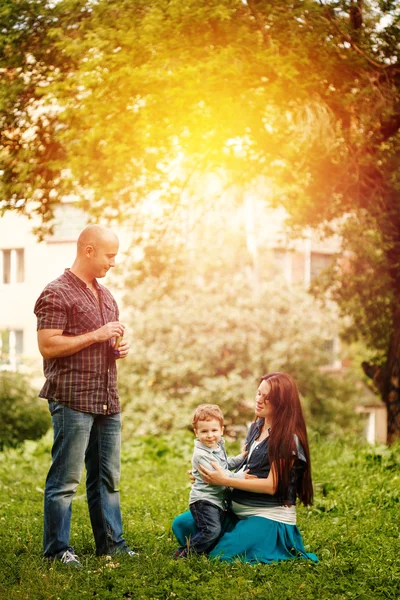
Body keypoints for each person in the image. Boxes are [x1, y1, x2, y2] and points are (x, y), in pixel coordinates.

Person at [34, 224, 137, 568]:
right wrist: (96, 335)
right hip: (72, 398)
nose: (113, 262)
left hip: (107, 399)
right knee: (65, 480)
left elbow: (105, 341)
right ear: (89, 250)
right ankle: (57, 550)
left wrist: (116, 347)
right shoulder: (56, 292)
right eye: (110, 255)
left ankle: (111, 545)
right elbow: (48, 345)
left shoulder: (106, 296)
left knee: (107, 478)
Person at [172, 372, 318, 564]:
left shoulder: (287, 439)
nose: (259, 400)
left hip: (267, 516)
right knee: (182, 525)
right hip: (235, 513)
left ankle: (256, 540)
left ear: (282, 403)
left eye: (267, 398)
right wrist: (207, 473)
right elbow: (247, 467)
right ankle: (235, 534)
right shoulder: (256, 427)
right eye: (259, 393)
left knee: (220, 557)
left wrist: (223, 480)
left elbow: (273, 485)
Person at [174, 404, 246, 558]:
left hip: (216, 500)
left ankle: (192, 549)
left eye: (214, 430)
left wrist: (241, 458)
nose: (210, 435)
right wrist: (241, 477)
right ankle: (187, 553)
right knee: (211, 530)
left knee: (213, 530)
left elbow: (225, 465)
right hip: (204, 501)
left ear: (221, 430)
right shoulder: (201, 454)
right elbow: (220, 476)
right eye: (204, 431)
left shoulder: (217, 447)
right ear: (196, 432)